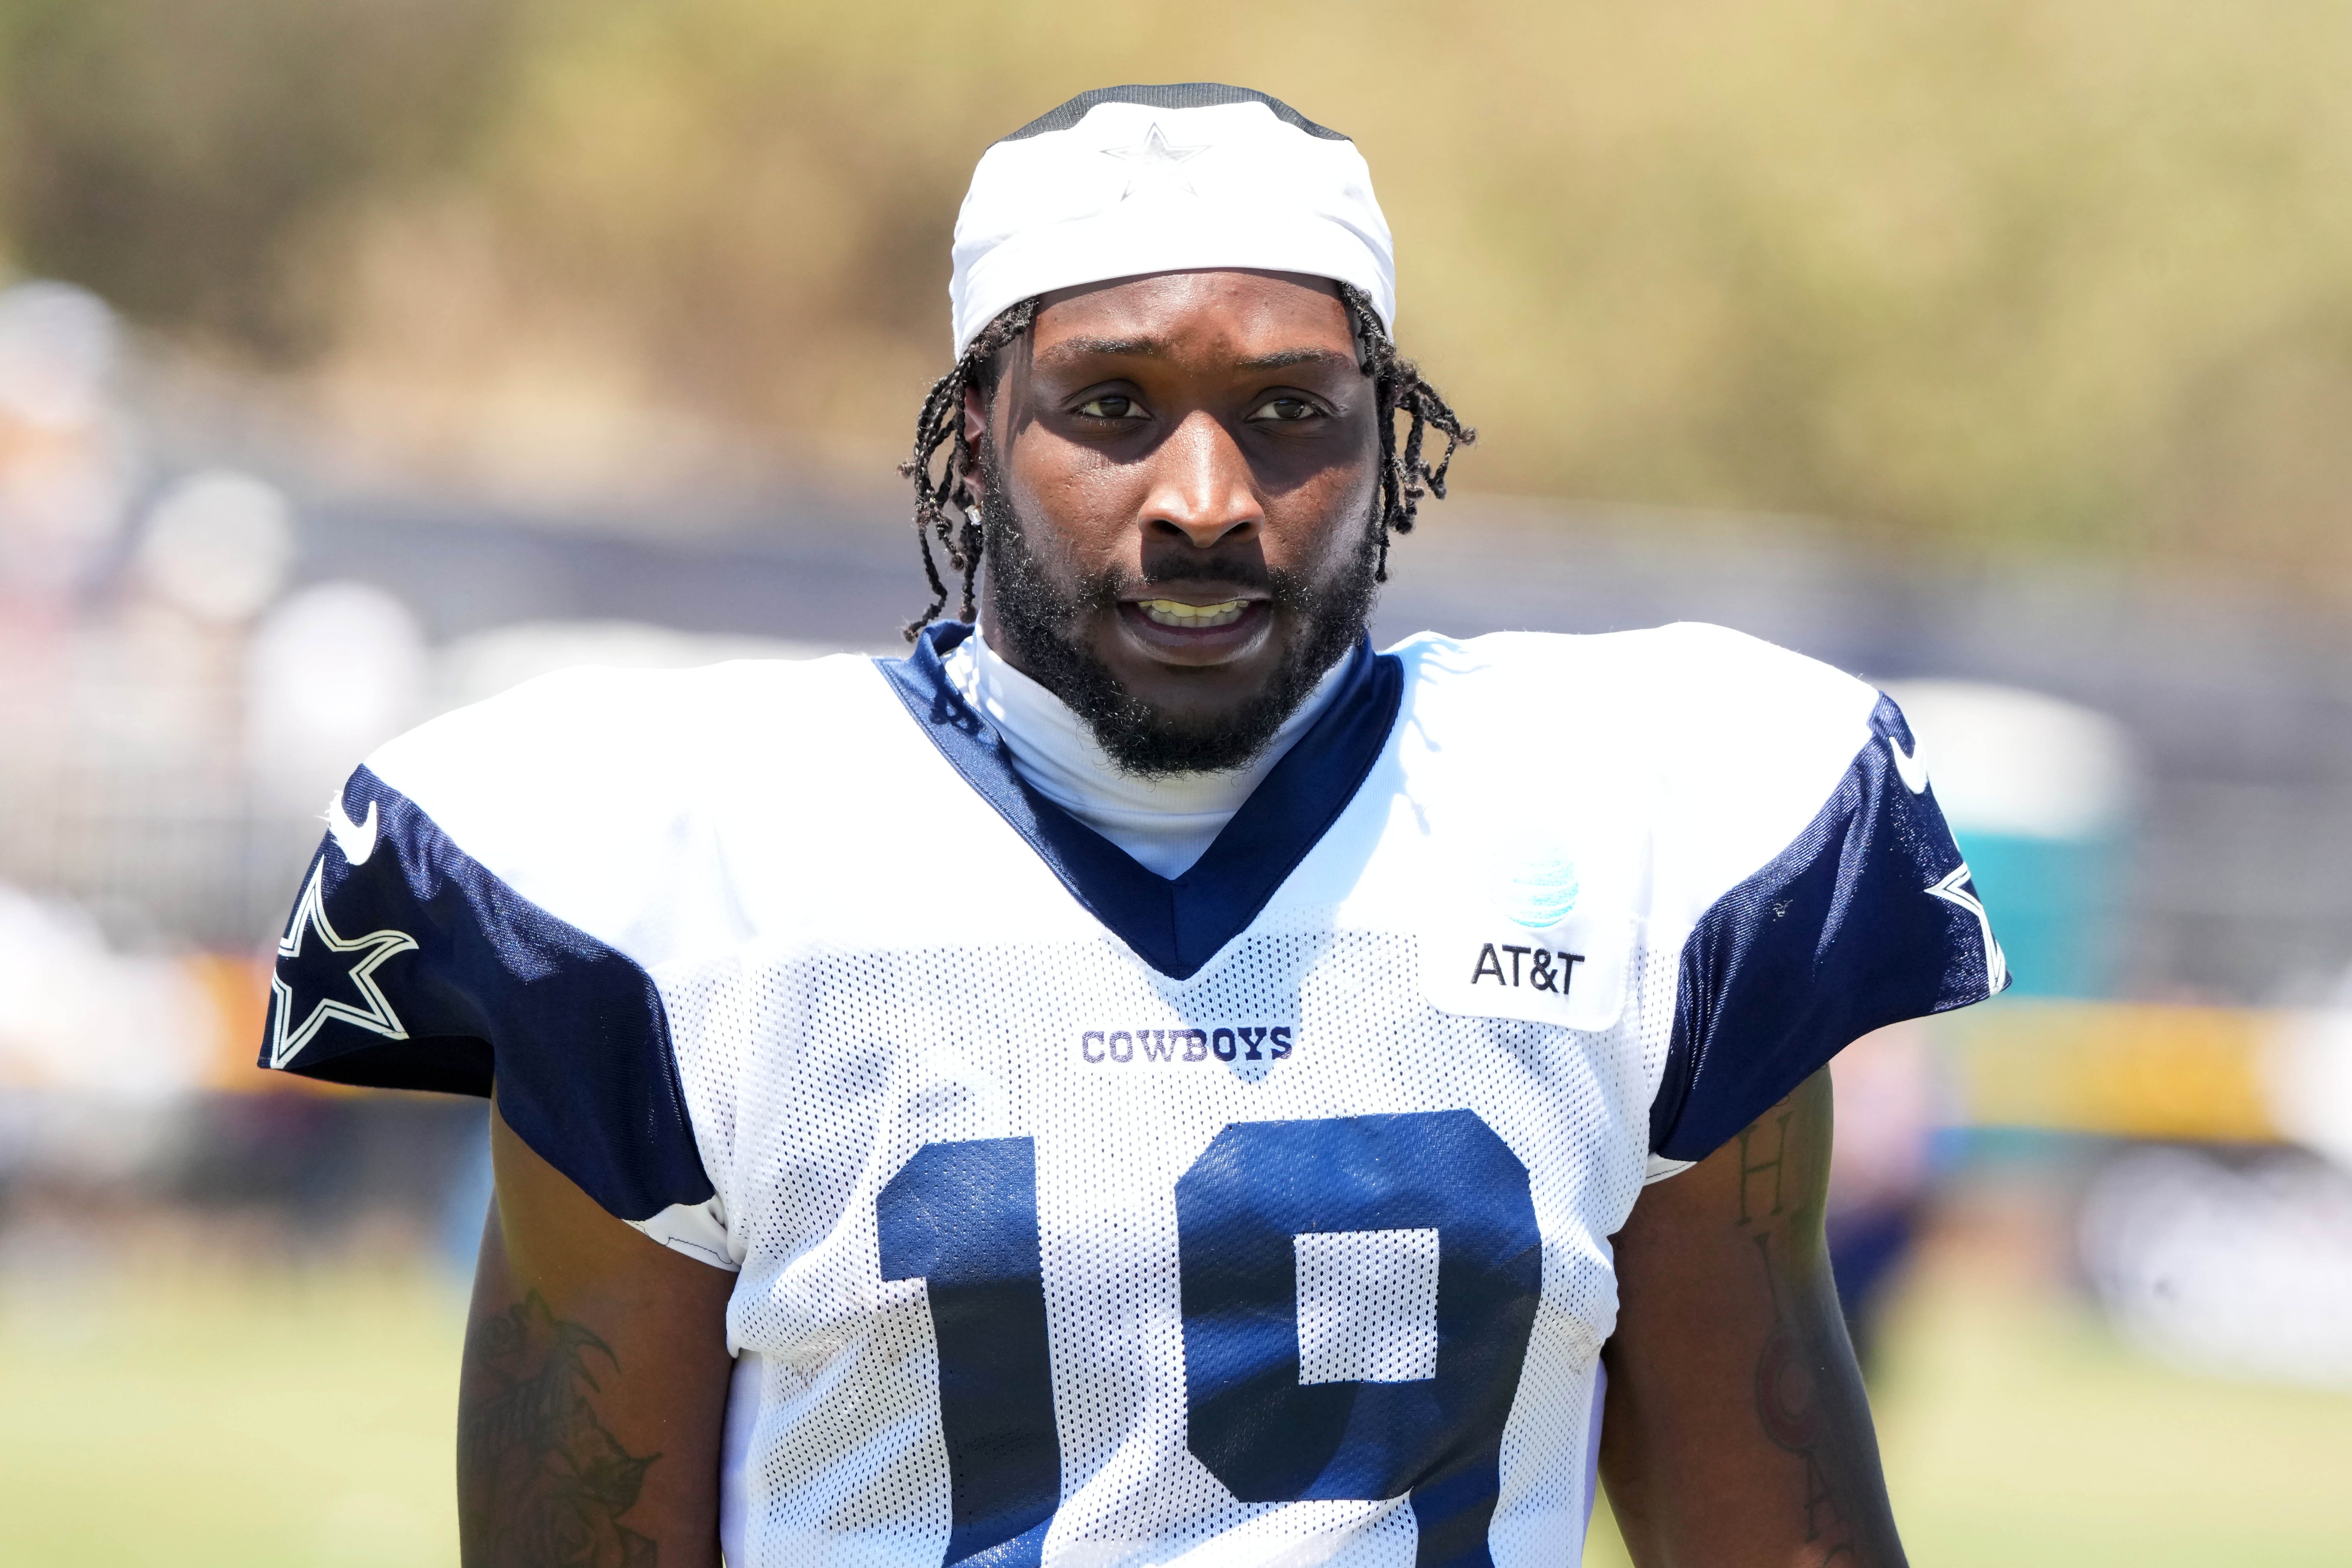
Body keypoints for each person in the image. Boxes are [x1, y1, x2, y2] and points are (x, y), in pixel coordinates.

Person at [262, 83, 2006, 1568]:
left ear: (1389, 445)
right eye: (1109, 406)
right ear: (971, 439)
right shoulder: (687, 871)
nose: (1202, 498)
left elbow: (1756, 1496)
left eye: (1286, 413)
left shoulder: (1633, 822)